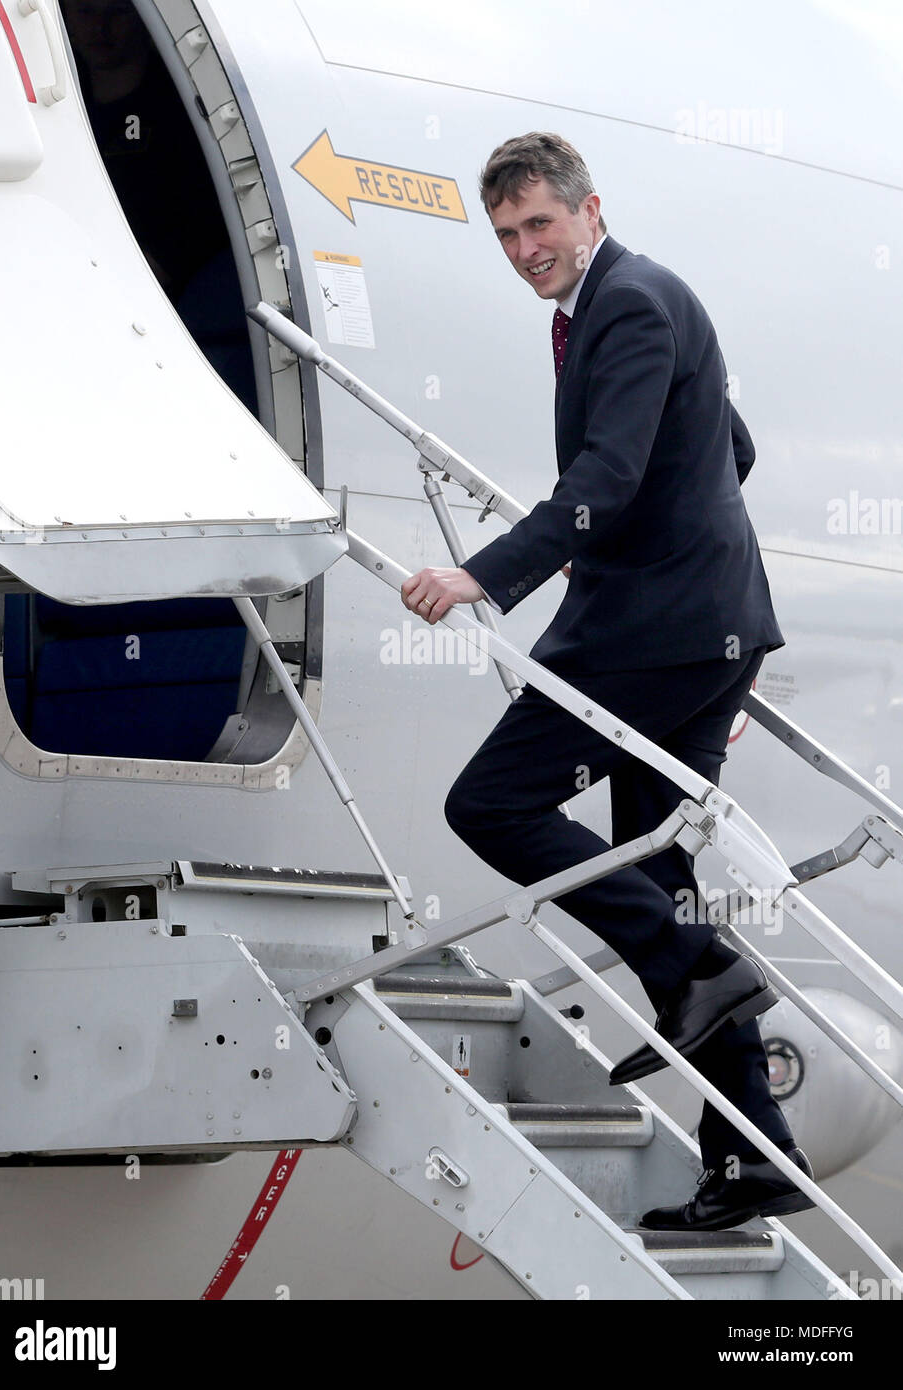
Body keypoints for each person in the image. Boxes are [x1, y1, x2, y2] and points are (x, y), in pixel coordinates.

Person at [400, 131, 814, 1230]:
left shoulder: (626, 303)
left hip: (655, 634)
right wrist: (643, 530)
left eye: (540, 224)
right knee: (655, 863)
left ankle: (688, 963)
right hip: (703, 627)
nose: (526, 248)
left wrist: (482, 576)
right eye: (506, 235)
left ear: (590, 210)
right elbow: (726, 447)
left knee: (489, 802)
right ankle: (756, 1151)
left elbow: (609, 475)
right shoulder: (625, 302)